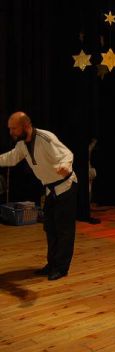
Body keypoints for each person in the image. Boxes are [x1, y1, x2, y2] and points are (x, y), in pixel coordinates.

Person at [0, 112, 77, 281]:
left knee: (64, 230)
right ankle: (52, 264)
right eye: (10, 129)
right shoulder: (22, 144)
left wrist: (65, 165)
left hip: (65, 186)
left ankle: (61, 268)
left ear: (26, 126)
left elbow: (67, 154)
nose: (11, 132)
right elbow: (11, 158)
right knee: (50, 228)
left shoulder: (45, 137)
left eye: (14, 128)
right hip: (50, 189)